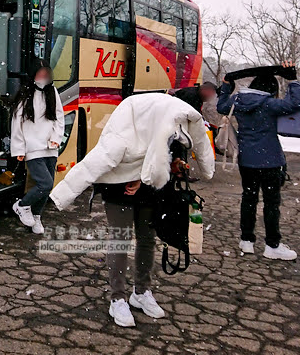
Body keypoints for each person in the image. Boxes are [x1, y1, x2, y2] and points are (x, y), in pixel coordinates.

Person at [50, 93, 215, 327]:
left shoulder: (175, 120)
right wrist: (61, 195)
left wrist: (175, 163)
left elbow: (171, 149)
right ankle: (117, 298)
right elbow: (98, 161)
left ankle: (141, 292)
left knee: (147, 238)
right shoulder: (128, 122)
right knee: (121, 239)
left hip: (149, 188)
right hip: (117, 187)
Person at [217, 61, 300, 261]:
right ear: (271, 90)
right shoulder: (270, 104)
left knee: (249, 199)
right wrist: (292, 81)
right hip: (270, 160)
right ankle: (272, 245)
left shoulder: (238, 101)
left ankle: (247, 240)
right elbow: (297, 104)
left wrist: (226, 86)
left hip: (247, 160)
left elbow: (221, 106)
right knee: (271, 203)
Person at [11, 66, 64, 235]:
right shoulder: (25, 93)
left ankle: (36, 216)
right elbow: (17, 123)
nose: (43, 76)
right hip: (32, 147)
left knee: (47, 187)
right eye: (40, 72)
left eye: (46, 73)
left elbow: (59, 116)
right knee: (45, 183)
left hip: (50, 147)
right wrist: (19, 148)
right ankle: (22, 205)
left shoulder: (52, 91)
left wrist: (56, 138)